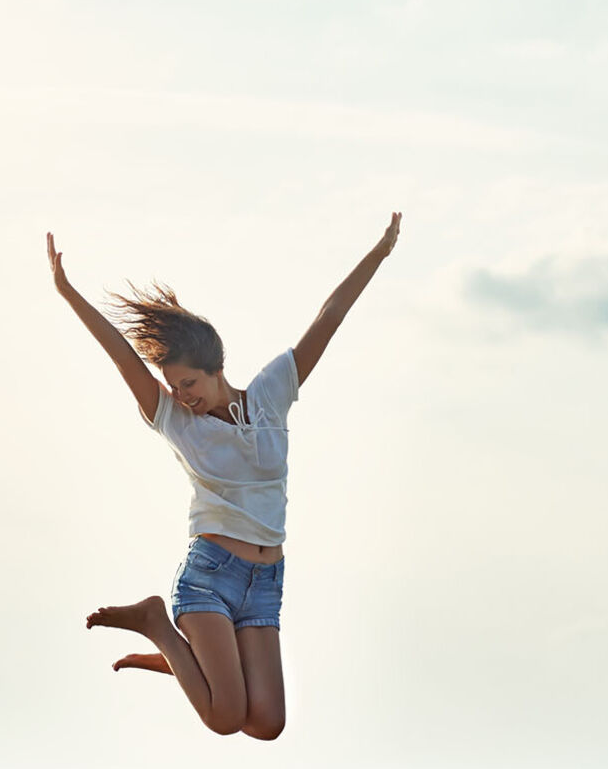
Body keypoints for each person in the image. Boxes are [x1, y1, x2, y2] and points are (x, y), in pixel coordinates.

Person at [45, 213, 401, 740]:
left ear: (216, 369)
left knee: (267, 724)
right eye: (174, 385)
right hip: (210, 575)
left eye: (189, 382)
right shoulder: (176, 422)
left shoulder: (270, 395)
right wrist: (67, 293)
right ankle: (158, 625)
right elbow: (121, 356)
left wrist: (379, 253)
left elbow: (331, 315)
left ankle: (190, 664)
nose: (183, 394)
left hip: (265, 582)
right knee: (224, 718)